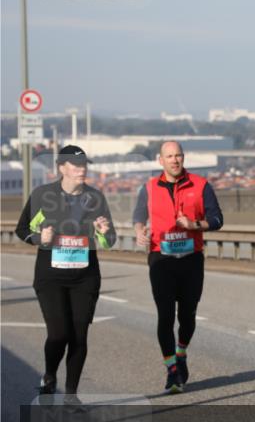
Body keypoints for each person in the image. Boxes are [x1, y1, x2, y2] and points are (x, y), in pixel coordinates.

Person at [16, 145, 117, 396]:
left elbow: (109, 241)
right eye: (76, 165)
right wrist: (39, 238)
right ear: (61, 168)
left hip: (85, 278)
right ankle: (50, 375)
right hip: (51, 278)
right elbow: (22, 229)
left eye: (84, 165)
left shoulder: (95, 198)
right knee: (59, 334)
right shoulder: (43, 196)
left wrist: (104, 233)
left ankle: (71, 395)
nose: (82, 170)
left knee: (79, 337)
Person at [133, 141, 223, 393]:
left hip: (191, 259)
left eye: (178, 155)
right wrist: (139, 231)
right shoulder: (149, 188)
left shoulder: (201, 185)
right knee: (165, 315)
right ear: (160, 160)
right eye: (170, 156)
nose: (175, 160)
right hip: (160, 259)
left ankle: (181, 352)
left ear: (183, 158)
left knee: (187, 315)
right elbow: (139, 216)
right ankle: (172, 370)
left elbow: (217, 219)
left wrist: (194, 225)